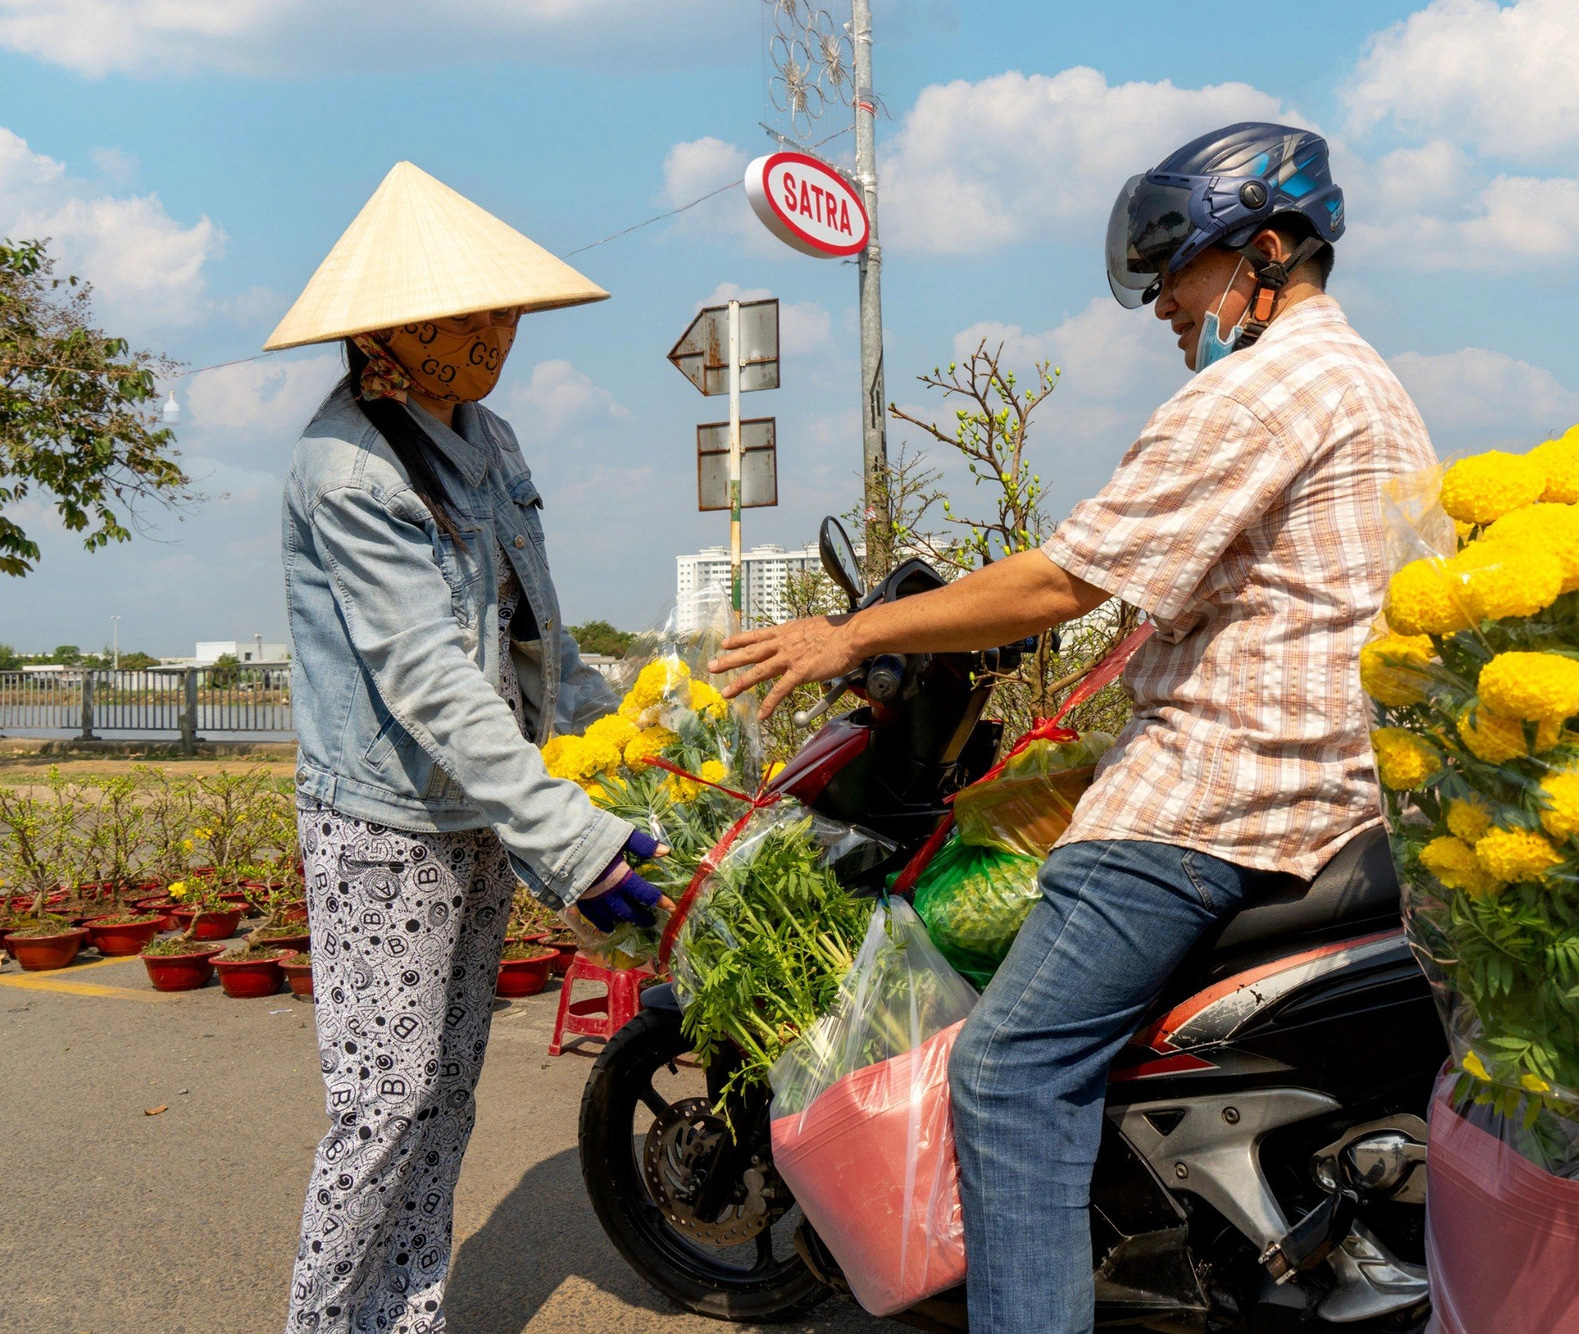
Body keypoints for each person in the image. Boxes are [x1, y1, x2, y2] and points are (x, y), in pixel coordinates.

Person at [711, 122, 1438, 1332]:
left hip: (1219, 799)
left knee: (1004, 1075)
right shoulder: (1361, 380)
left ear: (1262, 254)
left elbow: (1063, 579)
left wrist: (852, 639)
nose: (1161, 305)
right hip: (1335, 785)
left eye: (1180, 275)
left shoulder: (1258, 389)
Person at [268, 161, 663, 1333]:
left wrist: (640, 725)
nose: (498, 336)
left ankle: (405, 1315)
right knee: (381, 1101)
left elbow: (529, 633)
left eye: (505, 313)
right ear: (393, 328)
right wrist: (578, 836)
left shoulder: (484, 437)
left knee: (443, 1093)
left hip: (482, 808)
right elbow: (431, 681)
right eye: (471, 316)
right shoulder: (348, 467)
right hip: (386, 821)